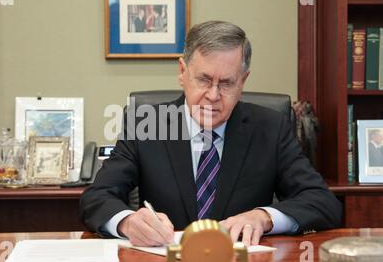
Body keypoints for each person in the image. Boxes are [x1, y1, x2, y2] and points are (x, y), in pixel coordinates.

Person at [79, 21, 342, 247]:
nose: (213, 96)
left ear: (243, 81)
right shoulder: (147, 124)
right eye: (203, 80)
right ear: (182, 72)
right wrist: (127, 222)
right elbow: (97, 197)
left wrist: (265, 217)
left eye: (227, 83)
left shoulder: (269, 128)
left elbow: (323, 202)